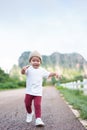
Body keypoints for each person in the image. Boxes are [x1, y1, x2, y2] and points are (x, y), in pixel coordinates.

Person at [21, 50, 59, 127]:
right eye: (33, 60)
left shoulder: (42, 70)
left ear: (40, 62)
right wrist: (23, 69)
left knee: (37, 105)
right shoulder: (28, 69)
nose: (35, 62)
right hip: (29, 92)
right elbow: (22, 73)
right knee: (27, 104)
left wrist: (55, 73)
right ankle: (29, 113)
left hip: (38, 93)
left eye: (38, 61)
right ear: (30, 61)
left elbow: (49, 74)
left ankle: (38, 119)